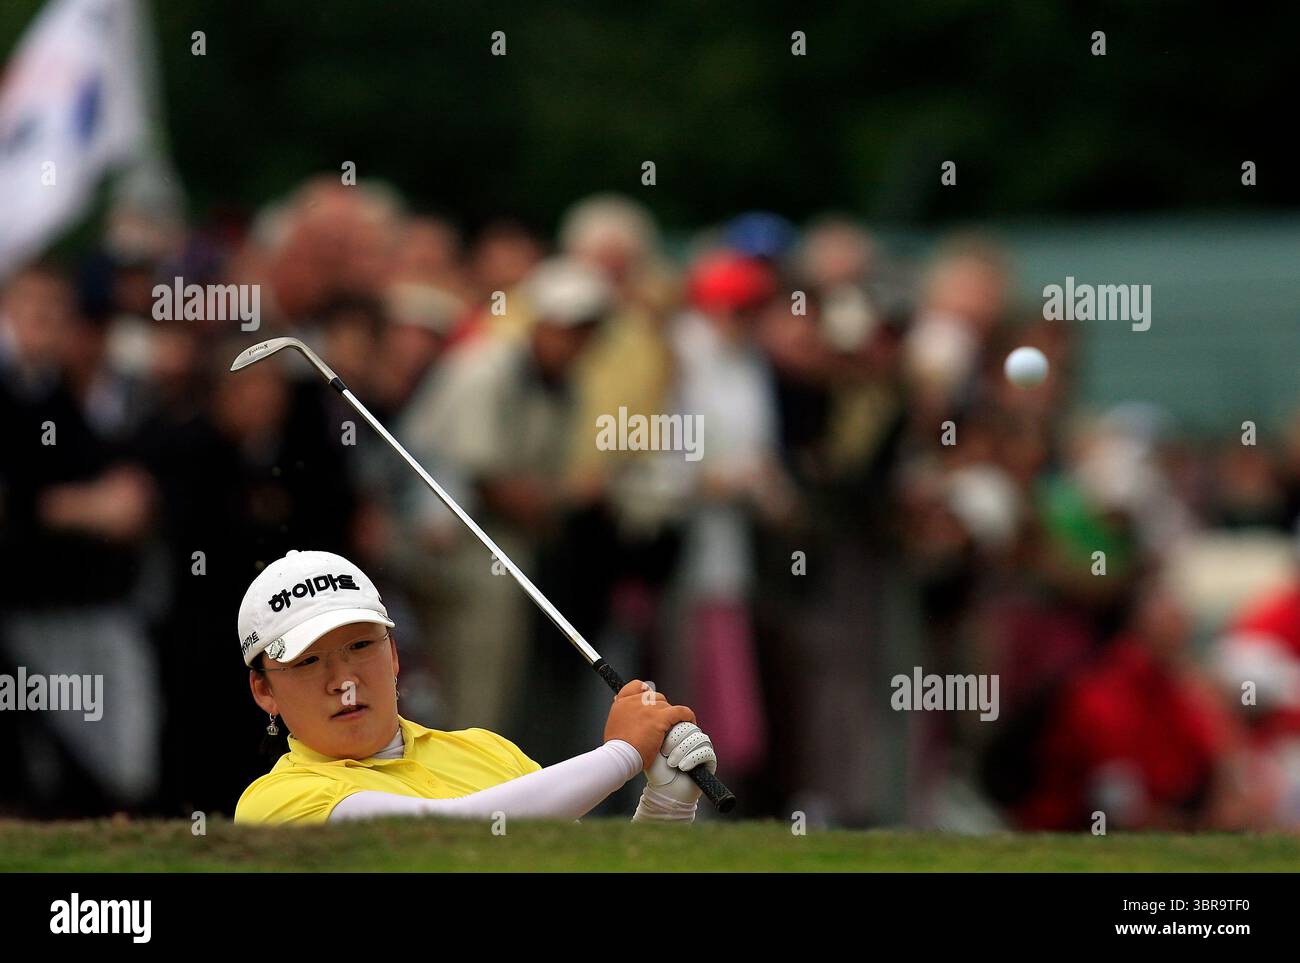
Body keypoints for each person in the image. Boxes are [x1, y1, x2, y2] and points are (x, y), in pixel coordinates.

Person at [234, 550, 718, 824]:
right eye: (309, 661)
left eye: (361, 647)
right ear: (264, 691)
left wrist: (666, 805)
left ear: (395, 655)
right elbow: (451, 834)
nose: (343, 681)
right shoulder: (273, 803)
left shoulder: (488, 751)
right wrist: (622, 754)